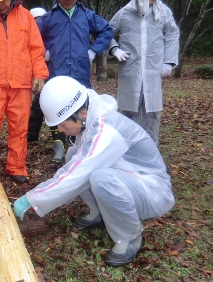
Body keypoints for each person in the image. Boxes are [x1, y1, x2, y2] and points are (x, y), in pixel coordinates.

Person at [14, 76, 175, 266]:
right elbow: (78, 164)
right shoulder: (90, 117)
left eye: (63, 125)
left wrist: (32, 199)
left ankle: (129, 236)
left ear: (81, 114)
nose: (60, 129)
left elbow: (78, 173)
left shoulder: (108, 128)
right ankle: (98, 211)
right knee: (74, 154)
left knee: (100, 177)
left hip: (151, 193)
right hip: (131, 180)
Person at [0, 0, 49, 184]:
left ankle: (17, 166)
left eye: (3, 0)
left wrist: (40, 74)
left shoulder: (26, 17)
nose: (0, 5)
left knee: (20, 128)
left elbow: (36, 50)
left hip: (21, 84)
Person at [28, 0, 113, 164]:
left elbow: (106, 30)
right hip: (56, 70)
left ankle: (85, 147)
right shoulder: (49, 18)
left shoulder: (86, 15)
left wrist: (93, 51)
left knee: (83, 108)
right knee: (56, 109)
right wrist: (43, 50)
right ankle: (59, 149)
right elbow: (32, 36)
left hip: (80, 70)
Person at [108, 0, 179, 145]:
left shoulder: (163, 12)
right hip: (130, 73)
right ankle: (129, 155)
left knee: (152, 114)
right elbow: (106, 32)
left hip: (153, 73)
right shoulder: (124, 13)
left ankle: (151, 156)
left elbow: (173, 33)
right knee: (128, 115)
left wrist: (168, 61)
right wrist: (114, 49)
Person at [27, 6, 48, 143]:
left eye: (41, 18)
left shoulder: (50, 32)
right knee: (37, 104)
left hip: (54, 73)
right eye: (36, 19)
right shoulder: (28, 34)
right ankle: (32, 133)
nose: (38, 21)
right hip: (37, 75)